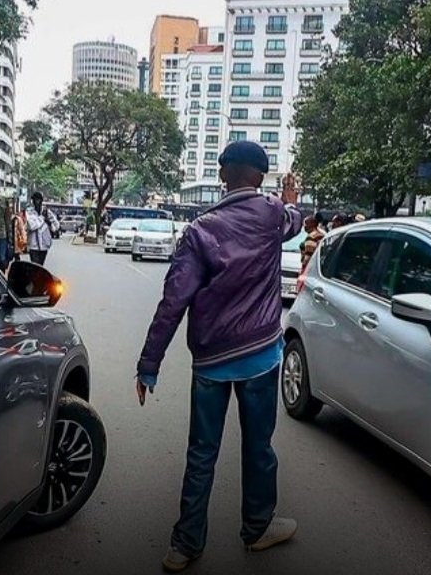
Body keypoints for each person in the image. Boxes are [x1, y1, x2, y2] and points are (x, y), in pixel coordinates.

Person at [136, 140, 303, 572]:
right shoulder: (271, 214)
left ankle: (186, 544)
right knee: (259, 448)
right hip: (262, 357)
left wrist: (149, 363)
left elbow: (173, 301)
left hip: (211, 362)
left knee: (201, 453)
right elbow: (295, 222)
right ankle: (258, 528)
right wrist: (290, 199)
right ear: (261, 177)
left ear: (222, 174)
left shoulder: (199, 230)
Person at [25, 191, 60, 265]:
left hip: (44, 245)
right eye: (35, 200)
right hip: (33, 245)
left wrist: (49, 223)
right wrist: (42, 218)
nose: (37, 202)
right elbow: (32, 226)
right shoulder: (29, 212)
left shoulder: (47, 212)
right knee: (35, 267)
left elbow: (56, 225)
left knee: (40, 267)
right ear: (33, 201)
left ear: (41, 201)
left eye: (38, 200)